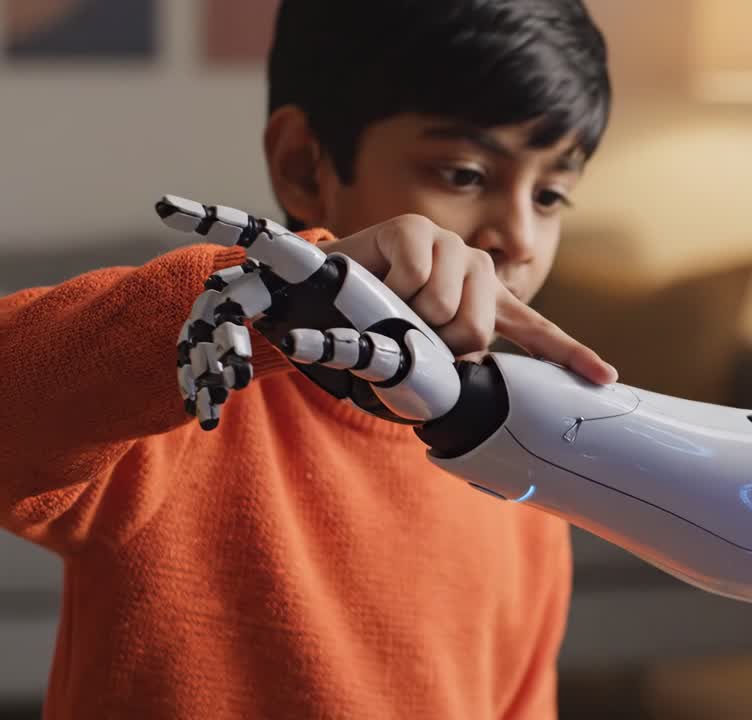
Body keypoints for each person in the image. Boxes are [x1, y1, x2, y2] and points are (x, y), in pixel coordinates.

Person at [0, 0, 614, 717]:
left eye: (550, 195)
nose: (518, 237)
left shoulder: (531, 461)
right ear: (303, 165)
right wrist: (279, 296)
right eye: (464, 174)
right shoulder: (180, 394)